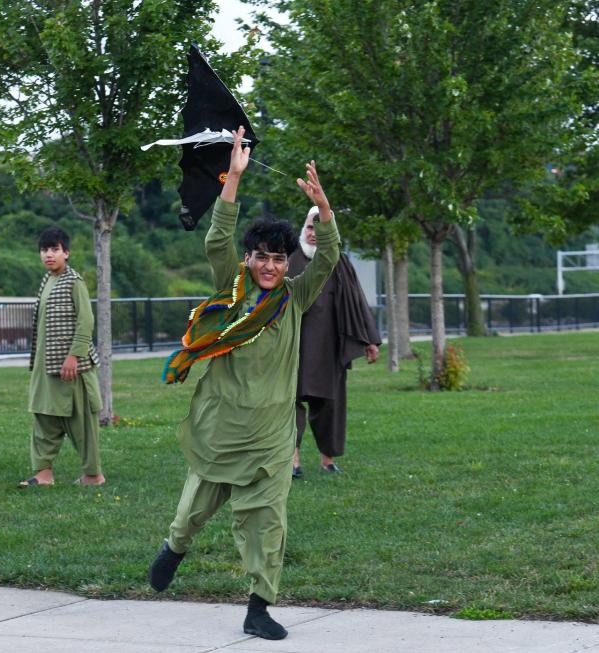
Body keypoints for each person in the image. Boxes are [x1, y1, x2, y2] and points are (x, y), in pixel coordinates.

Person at [150, 127, 342, 641]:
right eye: (262, 257)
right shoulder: (229, 291)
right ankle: (175, 547)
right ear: (250, 258)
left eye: (279, 259)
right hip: (221, 425)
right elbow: (217, 239)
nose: (271, 266)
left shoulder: (295, 299)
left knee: (268, 523)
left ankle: (259, 606)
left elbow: (326, 259)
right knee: (194, 510)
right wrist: (232, 179)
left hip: (273, 437)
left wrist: (323, 209)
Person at [288, 208, 381, 478]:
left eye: (319, 228)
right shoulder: (288, 261)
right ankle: (292, 460)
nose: (313, 234)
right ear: (302, 230)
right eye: (308, 228)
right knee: (289, 404)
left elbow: (357, 301)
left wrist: (370, 340)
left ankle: (327, 460)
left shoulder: (339, 262)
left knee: (330, 406)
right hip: (294, 348)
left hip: (330, 347)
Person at [19, 226, 105, 488]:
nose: (49, 255)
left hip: (72, 369)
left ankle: (93, 476)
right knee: (43, 416)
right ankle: (43, 474)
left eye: (55, 249)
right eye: (44, 250)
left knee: (82, 424)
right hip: (45, 368)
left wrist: (74, 356)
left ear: (66, 253)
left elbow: (86, 320)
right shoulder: (47, 281)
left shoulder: (74, 281)